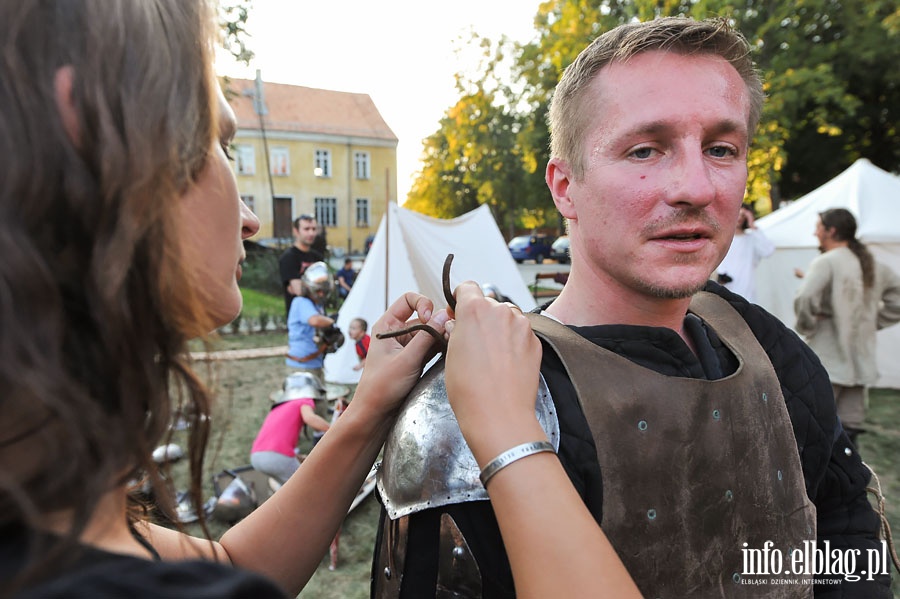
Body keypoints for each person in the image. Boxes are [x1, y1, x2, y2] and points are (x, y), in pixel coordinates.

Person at [372, 17, 892, 598]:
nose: (697, 187)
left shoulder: (768, 346)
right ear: (565, 187)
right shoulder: (471, 404)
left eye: (722, 149)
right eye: (645, 149)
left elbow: (847, 543)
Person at [0, 2, 452, 597]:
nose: (250, 220)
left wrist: (368, 408)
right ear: (97, 139)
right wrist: (513, 446)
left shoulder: (39, 502)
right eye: (221, 145)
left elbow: (227, 561)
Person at [794, 208, 900, 446]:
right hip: (860, 361)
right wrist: (870, 321)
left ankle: (823, 482)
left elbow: (805, 299)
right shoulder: (871, 262)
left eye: (818, 227)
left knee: (817, 428)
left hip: (827, 359)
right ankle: (847, 481)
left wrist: (808, 327)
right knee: (849, 430)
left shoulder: (827, 261)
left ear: (831, 231)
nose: (815, 232)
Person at [250, 373, 332, 485]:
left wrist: (297, 458)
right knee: (308, 487)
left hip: (257, 457)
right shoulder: (304, 400)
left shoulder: (278, 407)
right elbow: (310, 418)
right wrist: (333, 429)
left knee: (286, 491)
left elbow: (275, 441)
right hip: (277, 458)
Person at [286, 261, 341, 420]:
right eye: (319, 291)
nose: (321, 295)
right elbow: (315, 321)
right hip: (302, 365)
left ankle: (319, 432)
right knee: (301, 403)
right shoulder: (301, 302)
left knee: (319, 397)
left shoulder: (316, 306)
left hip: (314, 362)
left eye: (324, 291)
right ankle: (298, 438)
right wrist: (332, 322)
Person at [715, 202, 775, 302]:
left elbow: (768, 251)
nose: (740, 218)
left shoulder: (751, 239)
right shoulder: (723, 238)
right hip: (727, 287)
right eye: (737, 213)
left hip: (747, 289)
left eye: (743, 215)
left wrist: (752, 225)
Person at [279, 214, 323, 316]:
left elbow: (325, 289)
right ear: (296, 231)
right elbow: (298, 291)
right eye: (306, 229)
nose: (311, 233)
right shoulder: (289, 257)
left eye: (313, 229)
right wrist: (317, 289)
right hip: (300, 319)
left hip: (319, 313)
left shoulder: (318, 257)